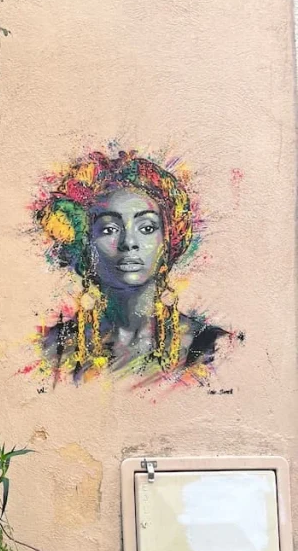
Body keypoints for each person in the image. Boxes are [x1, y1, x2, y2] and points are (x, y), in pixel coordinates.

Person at [32, 150, 229, 384]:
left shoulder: (209, 348)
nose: (129, 243)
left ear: (167, 241)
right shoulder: (53, 349)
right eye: (109, 229)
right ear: (86, 245)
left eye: (146, 228)